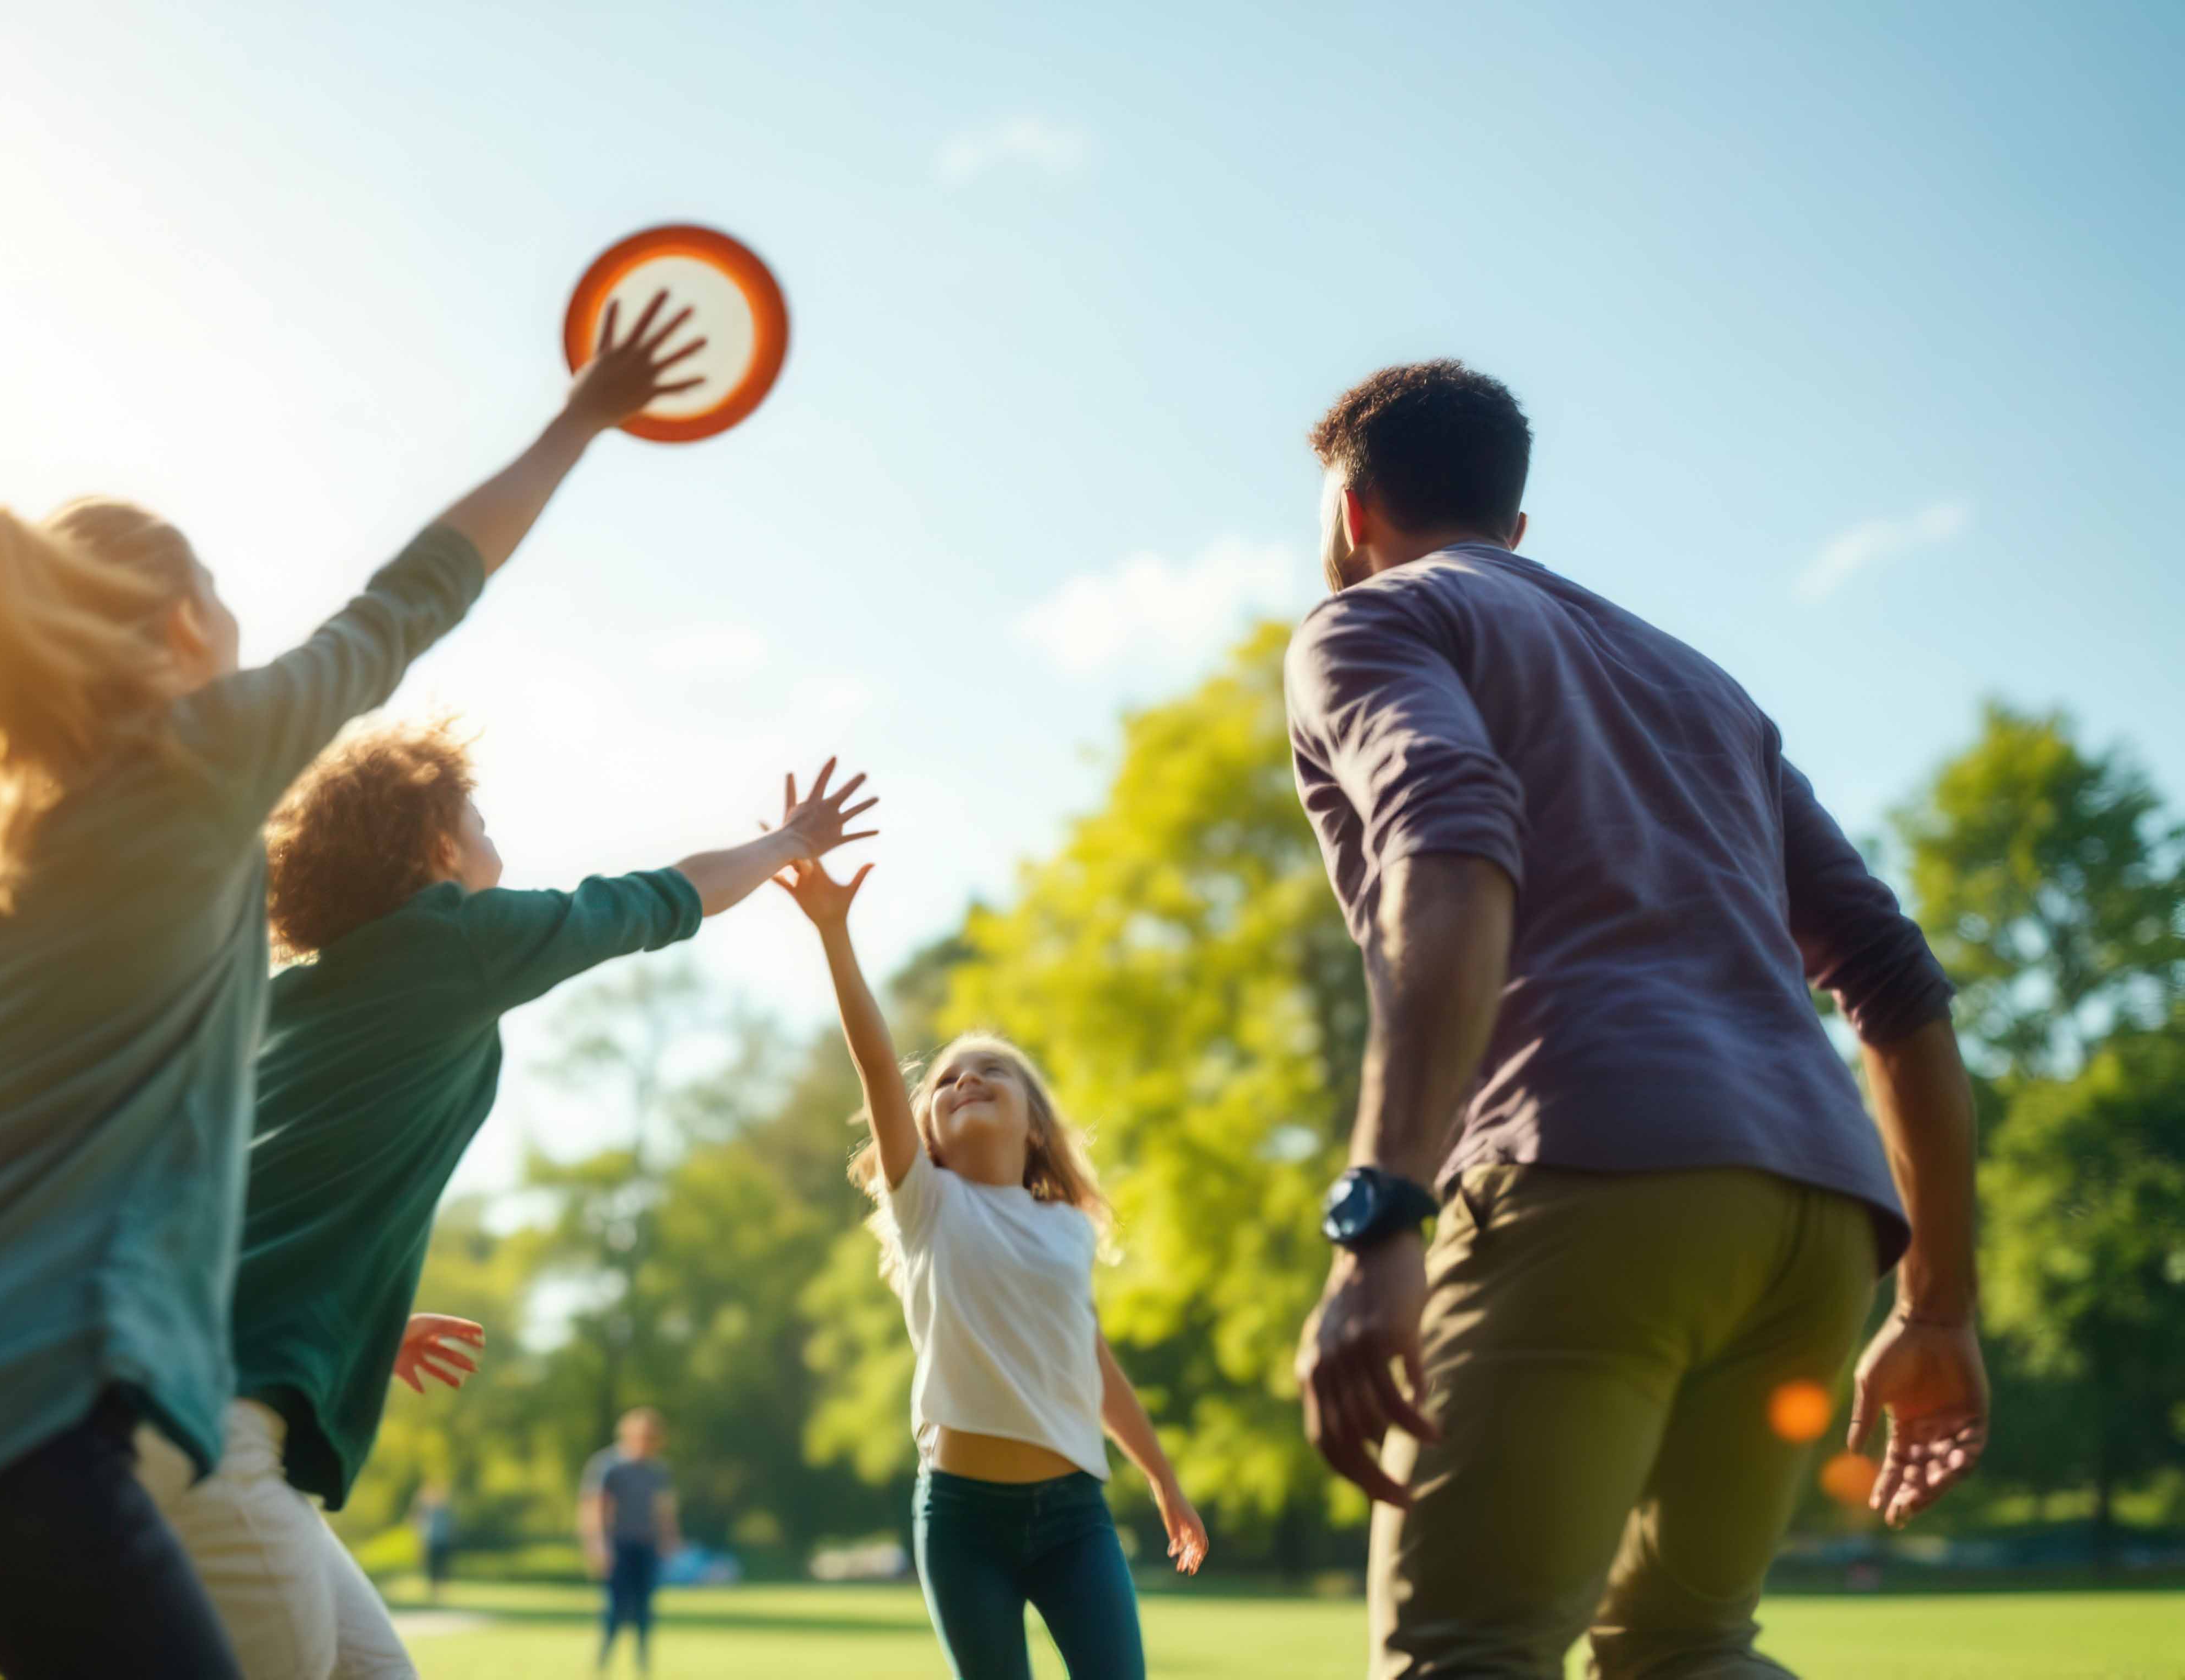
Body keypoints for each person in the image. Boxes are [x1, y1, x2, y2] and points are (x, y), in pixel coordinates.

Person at [0, 294, 711, 1680]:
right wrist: (577, 423)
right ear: (185, 625)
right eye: (228, 603)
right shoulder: (196, 761)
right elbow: (414, 597)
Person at [1282, 360, 1990, 1679]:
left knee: (1468, 1651)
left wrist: (1380, 1207)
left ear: (1354, 503)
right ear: (1517, 525)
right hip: (1817, 1217)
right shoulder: (1705, 686)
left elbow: (1447, 836)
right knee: (1687, 1648)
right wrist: (1940, 1303)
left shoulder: (1374, 622)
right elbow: (1893, 976)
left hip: (1590, 1163)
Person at [131, 727, 879, 1680]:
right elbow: (660, 898)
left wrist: (351, 1323)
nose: (495, 840)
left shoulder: (284, 1005)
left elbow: (237, 1200)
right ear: (436, 848)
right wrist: (786, 842)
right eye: (477, 820)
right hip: (215, 1428)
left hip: (161, 1401)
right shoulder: (456, 944)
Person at [778, 848, 1209, 1680]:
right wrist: (835, 933)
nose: (967, 1079)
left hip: (1075, 1518)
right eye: (947, 1081)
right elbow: (876, 1063)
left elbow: (1089, 1360)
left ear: (1035, 1126)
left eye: (993, 1072)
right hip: (962, 1519)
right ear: (926, 1133)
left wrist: (1163, 1479)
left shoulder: (1068, 1231)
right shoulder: (927, 1206)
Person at [580, 1407, 683, 1679]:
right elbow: (595, 1508)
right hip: (618, 1547)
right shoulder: (608, 1466)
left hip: (646, 1546)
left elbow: (664, 1510)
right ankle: (603, 1664)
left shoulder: (659, 1470)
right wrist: (598, 1546)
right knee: (614, 1609)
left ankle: (643, 1666)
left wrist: (670, 1541)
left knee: (645, 1611)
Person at [409, 1483, 457, 1605]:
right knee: (432, 1568)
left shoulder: (445, 1510)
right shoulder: (428, 1510)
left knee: (442, 1567)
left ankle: (442, 1592)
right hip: (432, 1542)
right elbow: (415, 1518)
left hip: (442, 1542)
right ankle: (433, 1592)